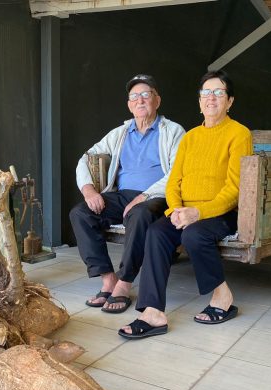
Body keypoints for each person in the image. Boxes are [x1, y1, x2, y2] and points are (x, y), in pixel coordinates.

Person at [119, 70, 252, 339]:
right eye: (206, 93)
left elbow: (235, 189)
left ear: (230, 101)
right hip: (184, 211)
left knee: (194, 234)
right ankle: (153, 312)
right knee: (156, 233)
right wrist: (175, 211)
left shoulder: (239, 134)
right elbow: (173, 181)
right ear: (199, 101)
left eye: (218, 93)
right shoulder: (190, 137)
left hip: (220, 212)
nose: (211, 98)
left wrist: (198, 212)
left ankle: (222, 296)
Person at [70, 74, 185, 313]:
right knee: (81, 213)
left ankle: (124, 283)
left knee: (140, 214)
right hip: (122, 195)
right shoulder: (120, 133)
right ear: (129, 104)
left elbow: (177, 172)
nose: (140, 100)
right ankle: (107, 278)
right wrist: (89, 190)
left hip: (156, 196)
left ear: (157, 100)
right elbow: (86, 158)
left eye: (146, 95)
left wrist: (143, 197)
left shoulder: (173, 131)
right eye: (134, 97)